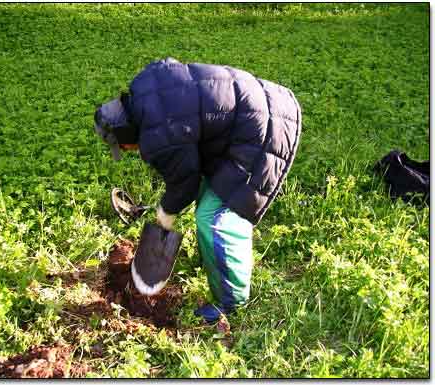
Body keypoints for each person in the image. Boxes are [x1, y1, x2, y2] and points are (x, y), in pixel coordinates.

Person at [94, 57, 301, 323]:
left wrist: (165, 215)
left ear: (126, 136)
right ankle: (214, 260)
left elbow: (185, 182)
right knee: (209, 193)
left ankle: (231, 303)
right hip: (262, 105)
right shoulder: (145, 91)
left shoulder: (157, 134)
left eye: (123, 147)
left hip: (266, 128)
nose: (128, 151)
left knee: (215, 217)